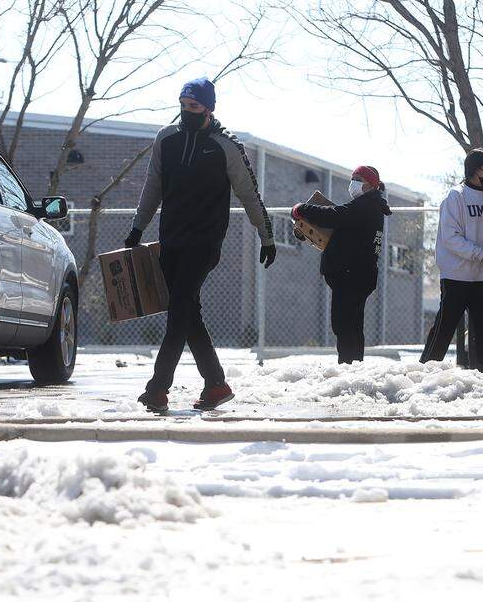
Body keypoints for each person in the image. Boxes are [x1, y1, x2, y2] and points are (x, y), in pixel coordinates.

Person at [127, 77, 276, 413]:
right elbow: (152, 186)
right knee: (186, 313)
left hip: (205, 242)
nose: (187, 111)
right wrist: (138, 228)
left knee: (179, 310)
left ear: (209, 108)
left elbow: (249, 193)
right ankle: (216, 384)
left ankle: (157, 389)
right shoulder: (166, 138)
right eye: (183, 105)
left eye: (193, 106)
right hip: (171, 240)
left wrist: (266, 236)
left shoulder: (226, 145)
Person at [420, 149, 483, 380]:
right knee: (445, 327)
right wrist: (481, 255)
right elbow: (451, 237)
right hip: (457, 276)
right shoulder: (456, 196)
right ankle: (426, 373)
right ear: (474, 169)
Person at [292, 165, 391, 364]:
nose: (353, 183)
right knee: (351, 324)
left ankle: (348, 366)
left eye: (358, 179)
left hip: (351, 275)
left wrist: (302, 209)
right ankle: (353, 364)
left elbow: (335, 215)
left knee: (345, 325)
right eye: (352, 178)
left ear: (371, 185)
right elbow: (341, 227)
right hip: (357, 275)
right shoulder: (368, 206)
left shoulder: (366, 206)